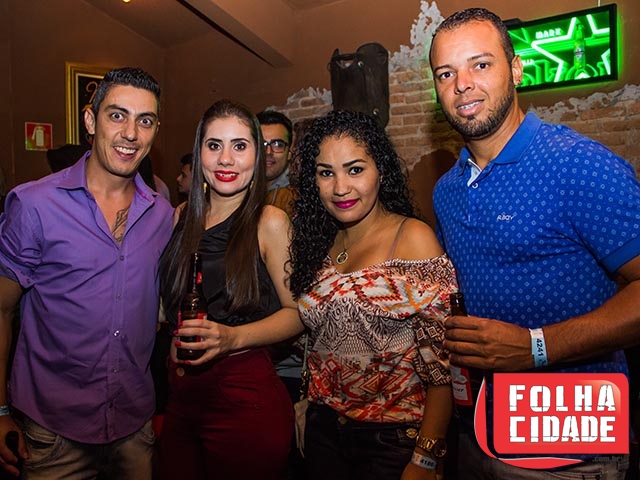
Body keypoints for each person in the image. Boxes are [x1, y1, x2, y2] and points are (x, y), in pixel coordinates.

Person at [430, 8, 640, 479]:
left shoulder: (578, 165)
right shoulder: (447, 190)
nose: (462, 84)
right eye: (446, 73)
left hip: (571, 445)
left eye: (480, 64)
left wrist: (537, 347)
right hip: (479, 432)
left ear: (517, 70)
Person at [0, 67, 173, 479]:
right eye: (117, 115)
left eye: (145, 121)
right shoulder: (34, 205)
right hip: (53, 432)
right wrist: (0, 410)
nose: (130, 133)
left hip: (134, 425)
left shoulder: (162, 215)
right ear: (91, 121)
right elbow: (1, 310)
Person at [289, 109, 457, 480]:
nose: (340, 188)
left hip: (391, 440)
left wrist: (426, 456)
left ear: (380, 170)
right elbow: (318, 340)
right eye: (326, 173)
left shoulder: (412, 239)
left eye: (355, 170)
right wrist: (306, 403)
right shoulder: (319, 242)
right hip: (322, 432)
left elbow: (443, 366)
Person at [157, 99, 304, 480]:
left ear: (257, 155)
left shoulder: (269, 222)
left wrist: (232, 338)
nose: (226, 159)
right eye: (214, 145)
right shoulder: (180, 217)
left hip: (243, 397)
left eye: (239, 146)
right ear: (199, 153)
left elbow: (297, 314)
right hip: (180, 396)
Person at [257, 109, 295, 216]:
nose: (268, 152)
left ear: (289, 152)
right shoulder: (238, 191)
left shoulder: (298, 197)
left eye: (278, 145)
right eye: (261, 144)